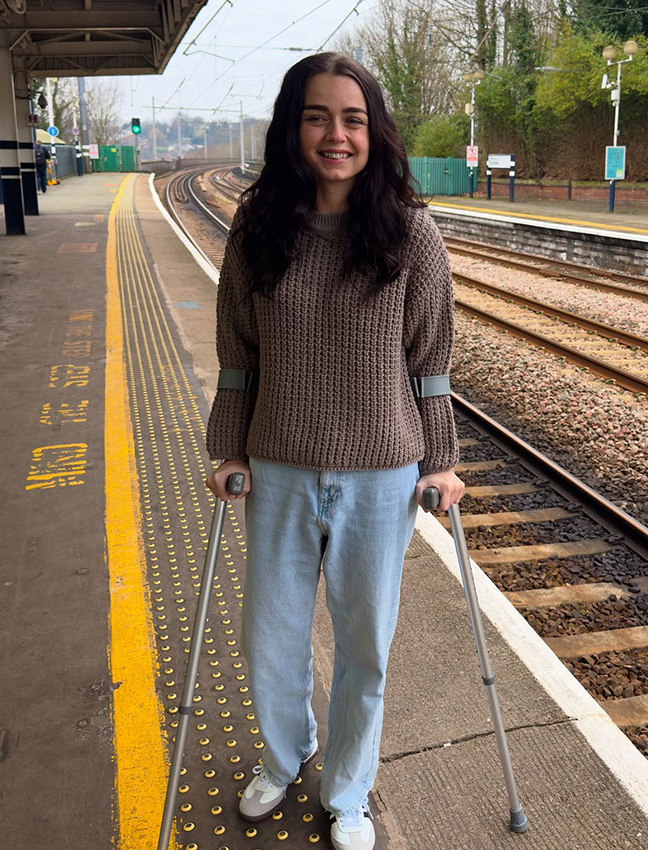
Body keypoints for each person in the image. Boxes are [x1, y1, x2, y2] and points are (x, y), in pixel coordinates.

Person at [205, 52, 465, 850]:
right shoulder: (258, 230)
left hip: (381, 475)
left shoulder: (410, 234)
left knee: (364, 644)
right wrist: (226, 448)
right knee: (271, 636)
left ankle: (348, 788)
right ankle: (288, 755)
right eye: (318, 116)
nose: (336, 134)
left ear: (375, 132)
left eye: (353, 118)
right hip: (278, 465)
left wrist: (440, 460)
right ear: (293, 128)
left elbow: (430, 364)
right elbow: (239, 355)